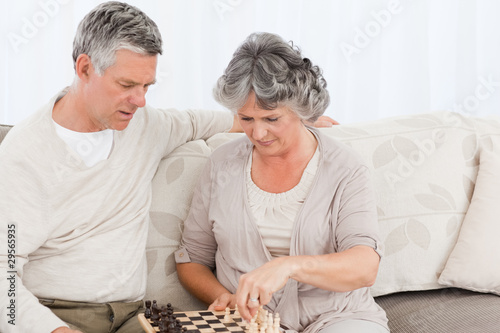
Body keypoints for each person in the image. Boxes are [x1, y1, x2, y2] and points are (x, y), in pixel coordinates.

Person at [0, 2, 243, 333]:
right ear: (85, 68)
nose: (140, 100)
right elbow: (3, 274)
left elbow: (194, 120)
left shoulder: (145, 125)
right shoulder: (24, 155)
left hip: (133, 317)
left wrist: (272, 120)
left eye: (147, 86)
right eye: (127, 85)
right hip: (59, 317)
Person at [175, 32, 389, 333]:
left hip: (339, 319)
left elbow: (365, 267)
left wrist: (288, 267)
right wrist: (226, 298)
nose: (258, 134)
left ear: (302, 110)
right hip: (252, 324)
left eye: (271, 119)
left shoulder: (345, 169)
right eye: (246, 119)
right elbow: (191, 259)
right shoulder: (221, 165)